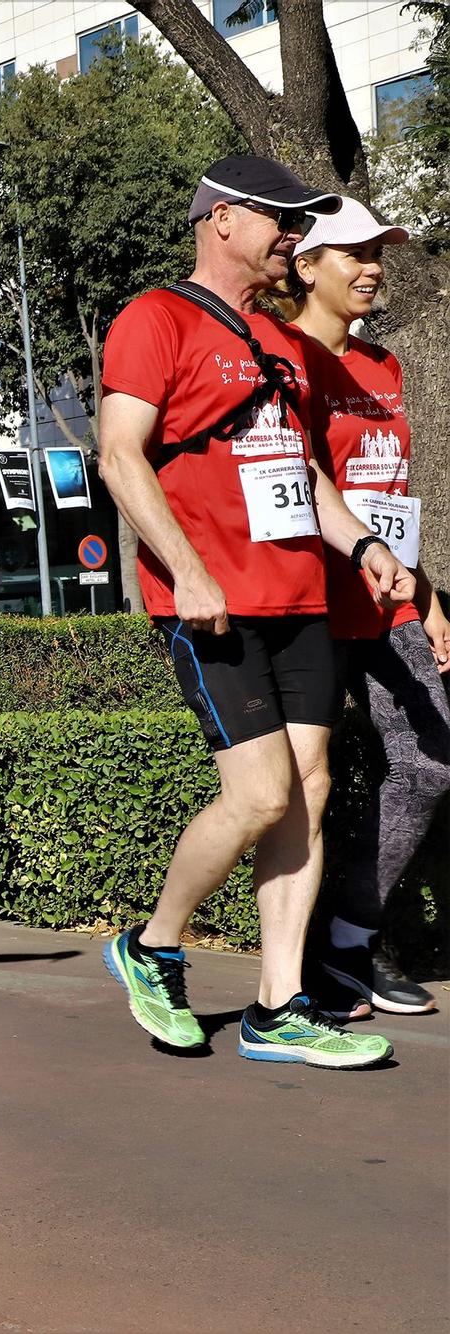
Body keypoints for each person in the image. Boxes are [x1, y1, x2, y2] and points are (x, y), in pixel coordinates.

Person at [97, 155, 415, 1069]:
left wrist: (362, 544)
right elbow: (121, 456)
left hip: (300, 597)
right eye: (283, 221)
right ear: (225, 219)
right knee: (261, 793)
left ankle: (279, 1006)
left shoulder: (283, 343)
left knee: (306, 793)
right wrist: (188, 573)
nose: (294, 237)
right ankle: (153, 945)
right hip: (213, 606)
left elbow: (299, 468)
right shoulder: (153, 318)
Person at [280, 197, 448, 1018]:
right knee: (295, 788)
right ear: (306, 265)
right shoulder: (282, 363)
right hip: (308, 607)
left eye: (378, 249)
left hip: (393, 608)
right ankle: (292, 962)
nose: (373, 264)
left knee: (429, 761)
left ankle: (351, 938)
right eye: (353, 250)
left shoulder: (386, 366)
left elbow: (395, 496)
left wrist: (430, 594)